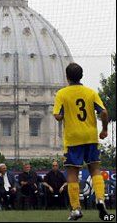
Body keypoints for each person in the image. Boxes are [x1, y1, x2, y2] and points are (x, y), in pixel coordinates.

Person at [53, 62, 109, 221]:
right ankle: (100, 199)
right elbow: (103, 112)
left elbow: (57, 115)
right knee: (95, 170)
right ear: (82, 76)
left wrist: (63, 115)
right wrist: (104, 129)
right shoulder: (90, 92)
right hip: (90, 136)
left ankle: (76, 209)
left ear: (67, 77)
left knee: (72, 173)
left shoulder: (62, 94)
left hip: (73, 138)